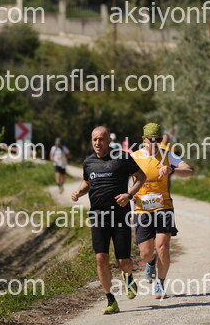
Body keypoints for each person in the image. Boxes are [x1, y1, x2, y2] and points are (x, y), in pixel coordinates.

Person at [71, 127, 146, 314]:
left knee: (124, 261)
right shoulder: (88, 162)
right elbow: (88, 182)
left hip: (120, 216)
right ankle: (111, 300)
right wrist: (79, 192)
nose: (98, 143)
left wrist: (129, 195)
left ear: (109, 141)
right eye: (94, 139)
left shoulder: (122, 157)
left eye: (101, 139)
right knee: (100, 258)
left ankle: (128, 277)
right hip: (98, 216)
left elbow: (141, 177)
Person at [131, 123, 194, 299]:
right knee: (145, 252)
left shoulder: (167, 155)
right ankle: (150, 261)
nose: (155, 143)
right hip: (142, 208)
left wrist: (172, 169)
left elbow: (189, 171)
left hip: (164, 207)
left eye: (158, 139)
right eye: (151, 140)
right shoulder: (134, 157)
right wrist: (130, 193)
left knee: (163, 247)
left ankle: (160, 283)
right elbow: (124, 178)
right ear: (143, 139)